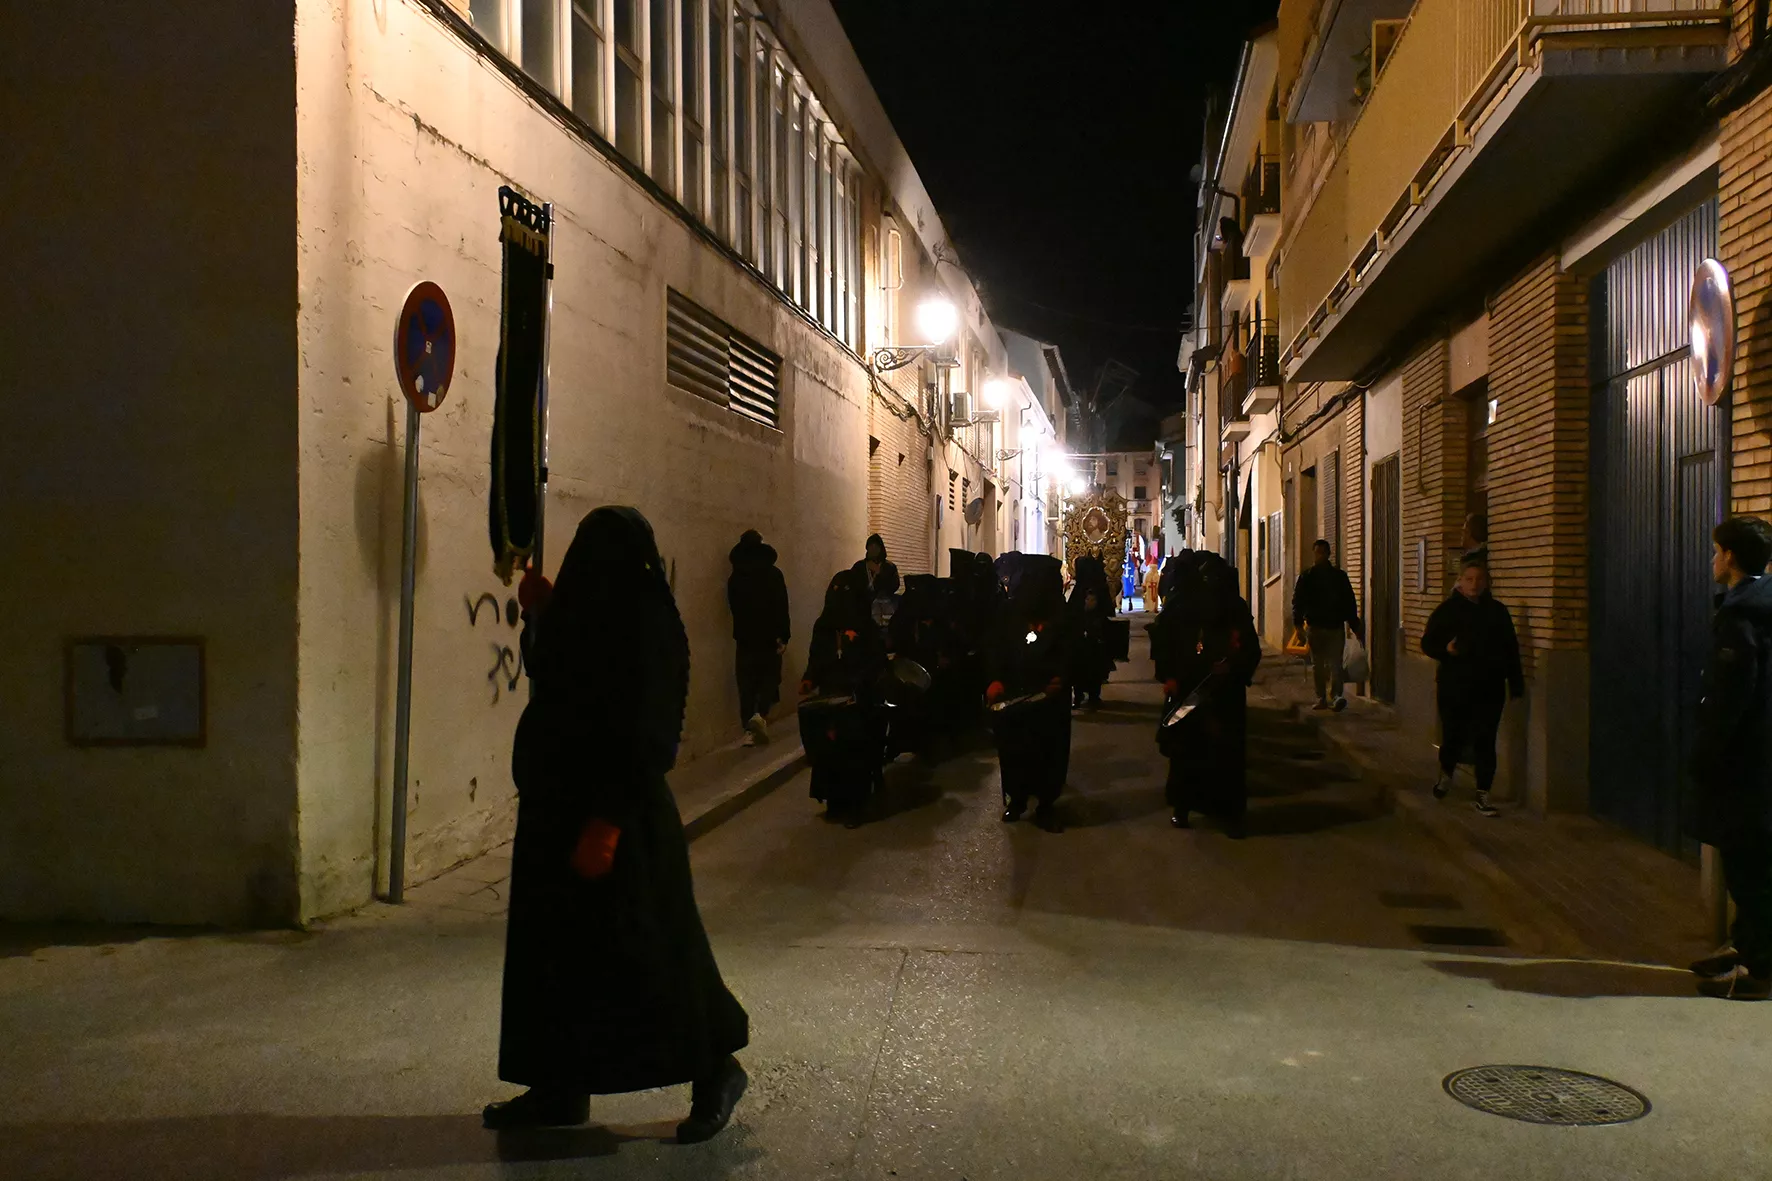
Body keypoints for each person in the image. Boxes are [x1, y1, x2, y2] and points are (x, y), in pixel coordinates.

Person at [486, 507, 749, 1143]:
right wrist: (542, 620)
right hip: (555, 816)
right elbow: (558, 683)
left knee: (656, 954)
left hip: (622, 821)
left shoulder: (649, 628)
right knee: (556, 961)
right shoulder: (580, 618)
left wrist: (606, 822)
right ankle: (557, 1086)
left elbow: (646, 730)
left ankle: (714, 1068)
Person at [1687, 516, 1772, 1001]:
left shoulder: (1742, 618)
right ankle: (1744, 947)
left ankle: (1758, 971)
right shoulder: (1759, 607)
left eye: (1716, 551)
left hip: (1747, 765)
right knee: (1755, 862)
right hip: (1759, 760)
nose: (1713, 560)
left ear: (1732, 558)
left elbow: (1731, 700)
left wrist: (1706, 754)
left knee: (1750, 868)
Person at [1153, 553, 1260, 836]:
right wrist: (1173, 676)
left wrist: (1233, 667)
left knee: (1226, 756)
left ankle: (1229, 814)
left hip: (1226, 694)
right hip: (1191, 691)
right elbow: (1167, 644)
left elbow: (1249, 647)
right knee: (1186, 752)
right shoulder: (1184, 607)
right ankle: (1183, 807)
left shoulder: (1234, 608)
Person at [1420, 557, 1523, 818]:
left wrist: (1516, 683)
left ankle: (1483, 794)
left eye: (1479, 579)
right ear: (1461, 581)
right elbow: (1427, 643)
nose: (1474, 584)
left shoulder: (1498, 612)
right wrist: (1446, 650)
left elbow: (1511, 649)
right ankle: (1446, 774)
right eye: (1469, 579)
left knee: (1485, 739)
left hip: (1490, 686)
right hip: (1455, 686)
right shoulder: (1447, 611)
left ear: (1487, 582)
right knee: (1453, 735)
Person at [986, 553, 1072, 830]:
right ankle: (1017, 800)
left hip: (1049, 699)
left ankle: (1047, 804)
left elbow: (1071, 652)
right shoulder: (1009, 612)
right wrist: (995, 680)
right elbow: (997, 649)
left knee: (1049, 752)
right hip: (1015, 694)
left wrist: (1061, 678)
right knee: (1015, 750)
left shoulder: (1061, 613)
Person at [800, 569, 888, 826]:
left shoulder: (866, 628)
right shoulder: (824, 626)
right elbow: (815, 656)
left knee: (853, 752)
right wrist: (809, 678)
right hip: (831, 695)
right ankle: (834, 801)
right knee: (829, 751)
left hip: (858, 698)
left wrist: (859, 673)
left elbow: (876, 662)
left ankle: (855, 805)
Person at [727, 530, 790, 746]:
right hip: (769, 637)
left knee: (746, 684)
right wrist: (783, 636)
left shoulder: (735, 577)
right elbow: (782, 606)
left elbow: (734, 608)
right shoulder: (773, 574)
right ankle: (760, 716)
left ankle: (749, 728)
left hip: (745, 638)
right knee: (769, 679)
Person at [1291, 539, 1365, 712]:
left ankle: (1336, 696)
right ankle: (1322, 697)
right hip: (1315, 627)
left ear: (1328, 554)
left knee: (1335, 664)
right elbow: (1298, 601)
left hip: (1334, 627)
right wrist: (1298, 625)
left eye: (1323, 552)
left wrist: (1355, 626)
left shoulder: (1339, 577)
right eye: (1318, 552)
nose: (1320, 556)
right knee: (1318, 665)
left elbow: (1349, 603)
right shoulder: (1307, 576)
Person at [849, 534, 901, 606]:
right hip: (861, 605)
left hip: (883, 604)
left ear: (881, 549)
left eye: (876, 547)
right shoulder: (859, 566)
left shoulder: (889, 567)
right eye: (871, 546)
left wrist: (880, 573)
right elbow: (852, 583)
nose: (873, 549)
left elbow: (894, 585)